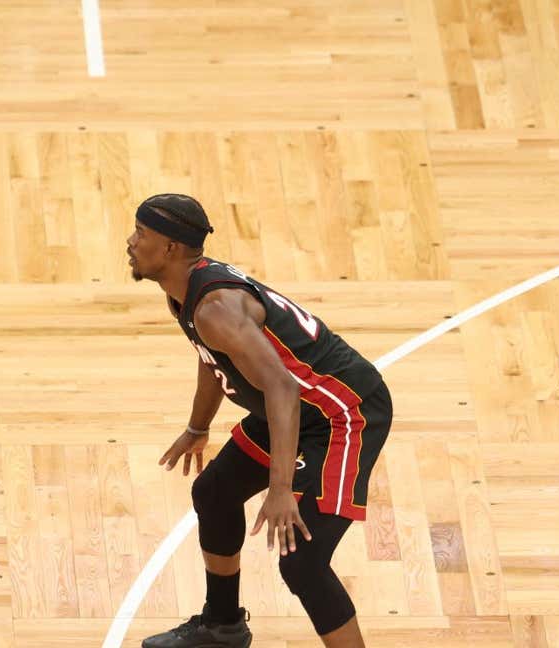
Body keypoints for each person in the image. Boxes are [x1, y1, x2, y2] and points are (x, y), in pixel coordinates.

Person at [129, 194, 391, 648]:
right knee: (214, 493)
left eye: (141, 234)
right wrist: (197, 426)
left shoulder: (216, 308)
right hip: (294, 410)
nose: (131, 242)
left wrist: (281, 487)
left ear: (169, 248)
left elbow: (283, 388)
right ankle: (223, 626)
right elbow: (215, 357)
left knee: (303, 561)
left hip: (343, 413)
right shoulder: (186, 293)